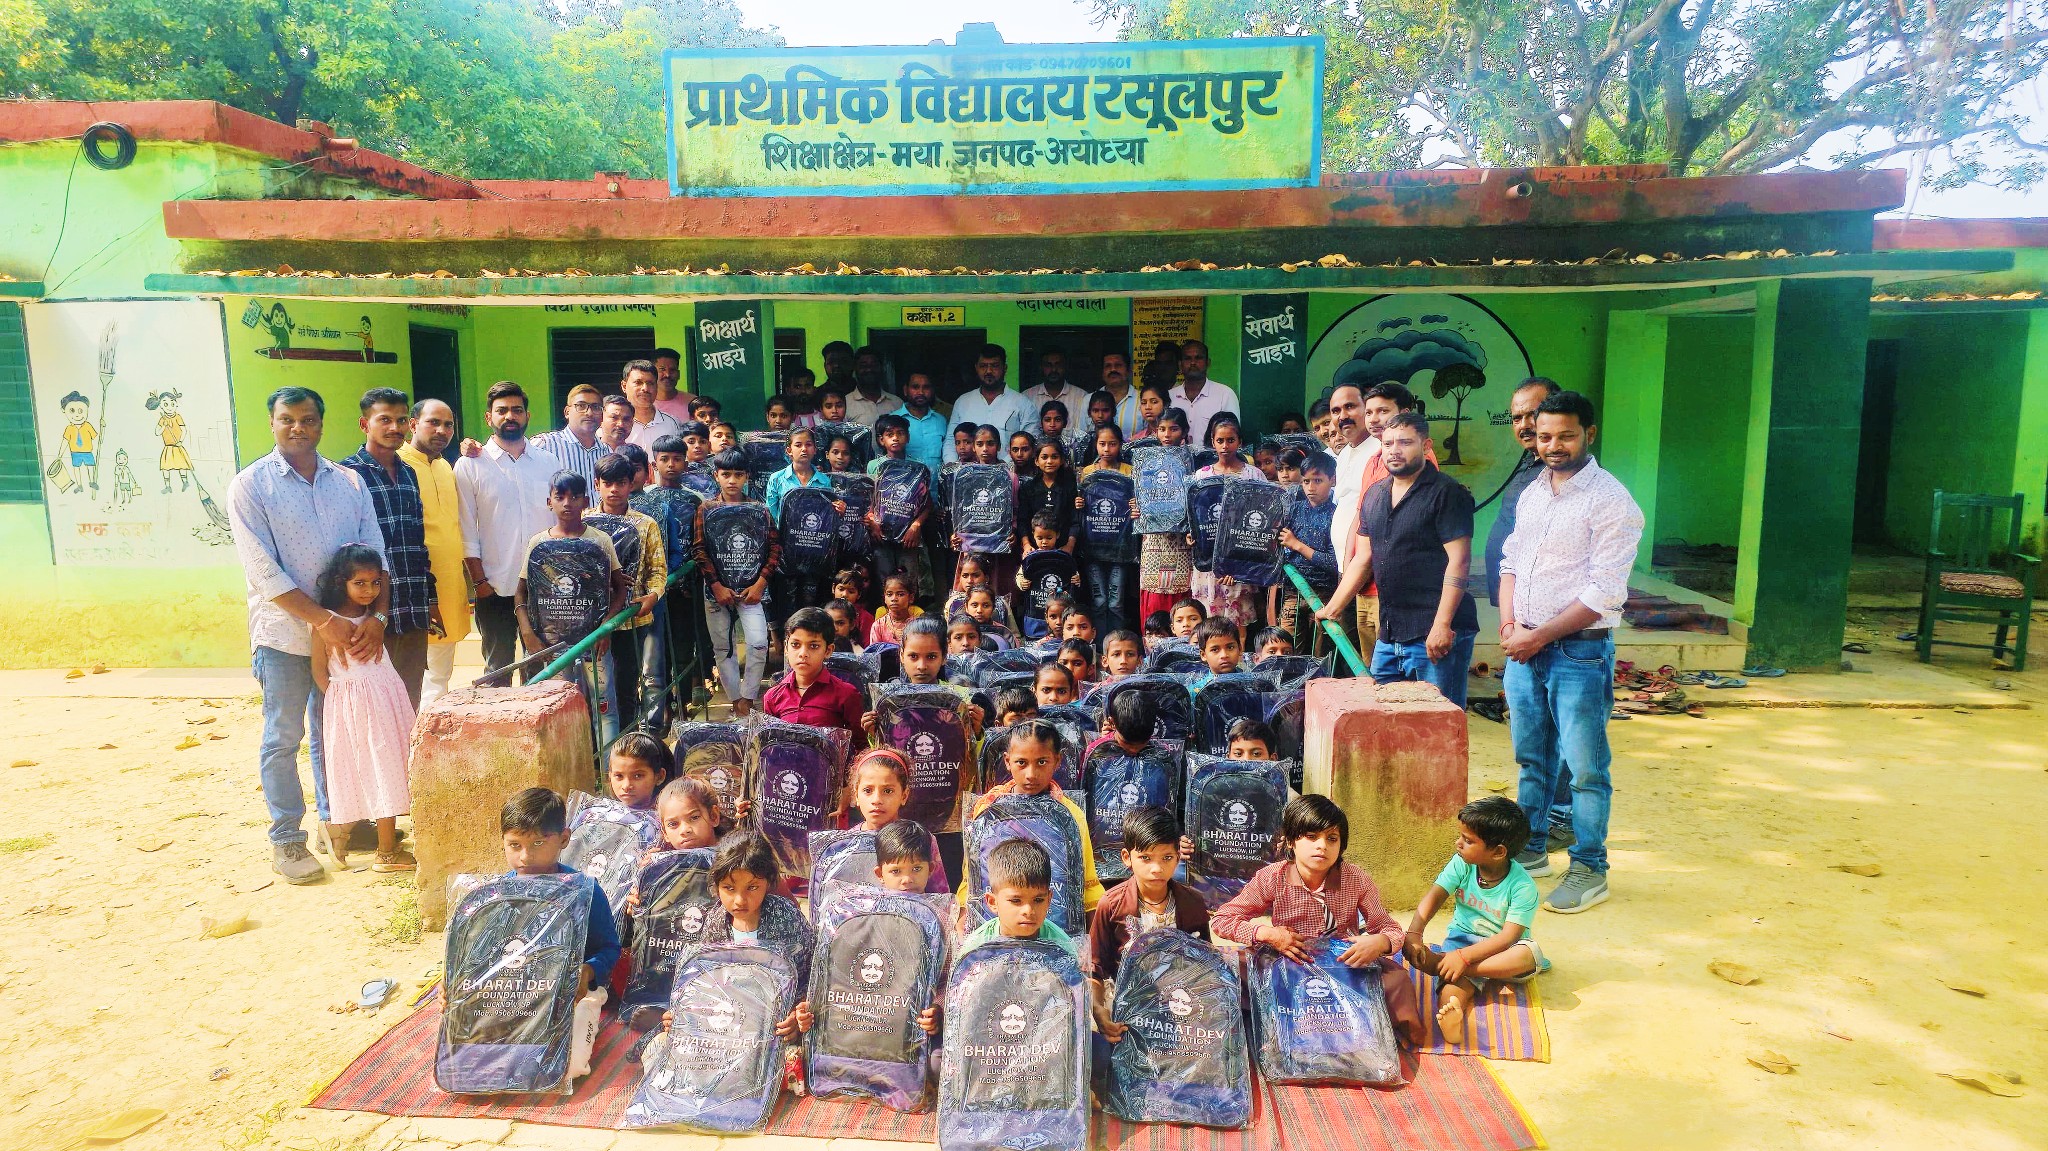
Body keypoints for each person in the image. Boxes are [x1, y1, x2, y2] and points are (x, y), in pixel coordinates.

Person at [228, 386, 388, 885]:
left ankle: (336, 824)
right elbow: (263, 570)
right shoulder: (250, 486)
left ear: (321, 423)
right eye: (287, 419)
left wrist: (377, 619)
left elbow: (376, 555)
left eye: (308, 419)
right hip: (285, 637)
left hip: (351, 639)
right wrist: (323, 621)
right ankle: (288, 840)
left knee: (335, 734)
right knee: (284, 736)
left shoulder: (349, 483)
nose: (298, 427)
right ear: (272, 423)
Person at [1499, 390, 1643, 914]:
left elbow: (1605, 593)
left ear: (1589, 434)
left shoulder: (1612, 502)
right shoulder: (1535, 489)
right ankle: (1532, 849)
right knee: (1531, 759)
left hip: (1579, 655)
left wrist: (1537, 636)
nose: (1553, 446)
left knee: (1584, 769)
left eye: (1565, 436)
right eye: (1543, 436)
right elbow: (1510, 559)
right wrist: (1512, 623)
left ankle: (1589, 866)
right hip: (1526, 647)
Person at [1212, 795, 1426, 1045]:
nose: (1322, 846)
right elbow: (1223, 920)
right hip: (1289, 960)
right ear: (1291, 841)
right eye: (1311, 837)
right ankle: (1247, 1031)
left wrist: (1379, 942)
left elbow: (1390, 928)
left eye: (1332, 839)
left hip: (1344, 964)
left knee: (1397, 980)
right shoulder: (1272, 877)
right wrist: (1267, 934)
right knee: (1230, 969)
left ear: (1341, 845)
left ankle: (1396, 1040)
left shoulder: (1356, 879)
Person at [1320, 413, 1479, 708]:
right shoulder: (1374, 495)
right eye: (1388, 443)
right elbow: (1362, 558)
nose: (1394, 449)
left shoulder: (1447, 493)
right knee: (1387, 718)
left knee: (1435, 724)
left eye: (1405, 442)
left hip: (1435, 631)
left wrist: (1442, 625)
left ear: (1426, 445)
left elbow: (1460, 562)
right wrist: (1333, 608)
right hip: (1390, 632)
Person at [1403, 797, 1548, 1045]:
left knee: (1529, 955)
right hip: (1462, 939)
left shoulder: (1523, 886)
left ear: (1498, 852)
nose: (1458, 843)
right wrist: (1414, 933)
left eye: (1468, 841)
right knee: (1451, 988)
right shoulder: (1462, 863)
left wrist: (1462, 960)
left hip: (1502, 951)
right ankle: (1453, 1019)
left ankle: (1442, 964)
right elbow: (1435, 895)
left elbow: (1508, 937)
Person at [308, 544, 417, 873]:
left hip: (387, 703)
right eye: (360, 583)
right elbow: (318, 671)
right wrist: (345, 700)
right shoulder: (328, 625)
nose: (369, 590)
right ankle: (385, 853)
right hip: (359, 708)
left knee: (386, 767)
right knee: (380, 769)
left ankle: (339, 831)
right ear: (341, 582)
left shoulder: (373, 620)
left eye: (375, 583)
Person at [456, 382, 562, 677]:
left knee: (541, 671)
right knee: (497, 670)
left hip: (544, 585)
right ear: (489, 418)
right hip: (494, 586)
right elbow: (466, 529)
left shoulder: (548, 462)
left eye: (517, 410)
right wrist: (480, 584)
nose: (510, 416)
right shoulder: (469, 465)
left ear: (527, 416)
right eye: (501, 410)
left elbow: (558, 521)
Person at [665, 832, 815, 1040]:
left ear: (769, 883)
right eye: (729, 888)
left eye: (752, 887)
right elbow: (703, 978)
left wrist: (797, 1017)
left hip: (775, 1028)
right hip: (726, 1023)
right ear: (716, 886)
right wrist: (684, 1012)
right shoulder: (716, 922)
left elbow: (810, 974)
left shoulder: (787, 919)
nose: (739, 900)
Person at [340, 387, 434, 706]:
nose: (395, 428)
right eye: (384, 420)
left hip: (412, 609)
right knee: (372, 702)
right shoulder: (346, 476)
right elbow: (344, 551)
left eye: (401, 420)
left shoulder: (409, 474)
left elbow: (418, 543)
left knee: (409, 700)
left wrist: (429, 599)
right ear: (365, 425)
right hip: (370, 613)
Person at [961, 718, 1103, 914]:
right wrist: (963, 915)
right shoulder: (987, 808)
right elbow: (972, 874)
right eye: (1021, 763)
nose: (1031, 774)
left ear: (1057, 761)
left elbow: (1087, 884)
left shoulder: (1070, 814)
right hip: (996, 923)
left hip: (1055, 925)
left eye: (1042, 762)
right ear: (1007, 761)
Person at [499, 787, 620, 994]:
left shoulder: (585, 891)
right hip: (509, 995)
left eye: (538, 843)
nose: (526, 857)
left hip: (565, 995)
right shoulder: (497, 896)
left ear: (564, 839)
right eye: (515, 845)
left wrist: (588, 970)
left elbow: (609, 949)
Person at [694, 449, 779, 718]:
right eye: (726, 474)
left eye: (738, 475)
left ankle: (749, 696)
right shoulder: (706, 509)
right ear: (716, 476)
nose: (732, 481)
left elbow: (774, 547)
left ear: (747, 477)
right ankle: (735, 701)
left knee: (757, 642)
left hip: (752, 590)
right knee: (723, 646)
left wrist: (761, 583)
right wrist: (716, 585)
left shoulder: (759, 510)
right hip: (716, 591)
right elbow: (699, 549)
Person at [1088, 807, 1209, 994]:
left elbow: (1206, 960)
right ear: (1127, 858)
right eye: (1145, 858)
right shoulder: (1111, 904)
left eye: (1166, 858)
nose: (1157, 868)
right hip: (1128, 1005)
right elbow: (1095, 967)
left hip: (1182, 1001)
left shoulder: (1193, 903)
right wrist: (1099, 1009)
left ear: (1178, 857)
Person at [397, 399, 470, 707]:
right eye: (433, 423)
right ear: (413, 425)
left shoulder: (445, 467)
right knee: (409, 680)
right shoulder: (396, 464)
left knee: (439, 676)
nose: (442, 430)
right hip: (414, 592)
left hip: (450, 587)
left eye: (449, 424)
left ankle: (428, 744)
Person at [591, 453, 668, 732]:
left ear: (632, 483)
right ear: (597, 483)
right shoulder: (585, 523)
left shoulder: (646, 524)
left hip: (632, 618)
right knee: (595, 689)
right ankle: (596, 748)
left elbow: (658, 570)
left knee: (625, 684)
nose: (614, 490)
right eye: (607, 483)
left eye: (621, 483)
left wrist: (653, 596)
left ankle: (624, 743)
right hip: (592, 622)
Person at [514, 471, 627, 658]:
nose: (567, 503)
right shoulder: (539, 543)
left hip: (593, 641)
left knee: (599, 687)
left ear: (586, 501)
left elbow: (620, 590)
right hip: (548, 642)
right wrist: (527, 633)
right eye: (560, 497)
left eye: (575, 497)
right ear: (549, 502)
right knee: (554, 687)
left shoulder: (600, 541)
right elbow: (520, 592)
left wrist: (605, 628)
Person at [1484, 378, 1560, 606]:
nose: (1524, 425)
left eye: (1532, 415)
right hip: (1516, 602)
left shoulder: (1562, 471)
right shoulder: (1530, 460)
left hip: (1542, 607)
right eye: (1517, 418)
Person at [841, 748, 952, 892]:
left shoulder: (921, 839)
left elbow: (939, 898)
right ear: (856, 795)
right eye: (868, 790)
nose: (877, 800)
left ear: (904, 795)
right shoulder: (845, 845)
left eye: (888, 791)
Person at [1187, 413, 1259, 630]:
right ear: (1212, 442)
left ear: (1240, 442)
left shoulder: (1253, 475)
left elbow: (1260, 520)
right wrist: (1192, 535)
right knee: (1209, 621)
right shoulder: (1200, 477)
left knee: (1238, 625)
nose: (1225, 446)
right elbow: (1193, 516)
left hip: (1240, 561)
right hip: (1208, 561)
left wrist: (1238, 564)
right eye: (1220, 441)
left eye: (1231, 440)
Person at [959, 837, 1078, 959]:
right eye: (1016, 901)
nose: (1028, 911)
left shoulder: (1062, 946)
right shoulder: (976, 948)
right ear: (993, 902)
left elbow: (1073, 975)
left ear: (1049, 900)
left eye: (1038, 900)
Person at [764, 607, 867, 744]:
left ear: (828, 650)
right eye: (795, 644)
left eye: (813, 646)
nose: (803, 653)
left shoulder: (846, 694)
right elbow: (769, 744)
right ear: (786, 648)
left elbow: (858, 745)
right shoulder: (773, 696)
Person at [1273, 450, 1340, 654]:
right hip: (1294, 590)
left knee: (1321, 653)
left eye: (1318, 480)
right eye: (1306, 481)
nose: (1311, 487)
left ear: (1333, 480)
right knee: (1287, 650)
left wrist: (1297, 545)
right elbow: (1275, 546)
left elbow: (1333, 563)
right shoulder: (1293, 510)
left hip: (1325, 596)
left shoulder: (1336, 514)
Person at [1135, 409, 1195, 623]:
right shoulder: (1146, 462)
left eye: (1173, 429)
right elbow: (1140, 496)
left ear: (1185, 431)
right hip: (1153, 540)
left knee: (1182, 595)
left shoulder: (1194, 461)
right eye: (1162, 429)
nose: (1167, 434)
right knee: (1153, 594)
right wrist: (1136, 508)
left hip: (1182, 541)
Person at [866, 414, 931, 602]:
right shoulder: (874, 466)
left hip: (908, 538)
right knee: (883, 578)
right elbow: (869, 499)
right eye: (890, 434)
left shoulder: (918, 467)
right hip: (881, 535)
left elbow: (927, 505)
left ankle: (911, 618)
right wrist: (872, 522)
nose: (895, 438)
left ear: (908, 437)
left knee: (909, 580)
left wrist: (916, 526)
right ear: (881, 440)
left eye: (900, 433)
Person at [948, 344, 1036, 454]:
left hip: (1009, 470)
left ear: (1005, 368)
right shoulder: (963, 402)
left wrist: (1006, 469)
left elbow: (1030, 443)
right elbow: (950, 442)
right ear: (976, 368)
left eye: (994, 366)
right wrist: (954, 468)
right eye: (983, 366)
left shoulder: (1023, 404)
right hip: (967, 470)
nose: (988, 371)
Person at [530, 384, 609, 487]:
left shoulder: (607, 452)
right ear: (567, 412)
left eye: (595, 407)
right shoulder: (545, 445)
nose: (589, 413)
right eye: (581, 406)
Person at [1167, 341, 1238, 445]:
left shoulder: (1225, 395)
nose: (1193, 363)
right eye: (1187, 358)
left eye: (1198, 358)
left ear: (1207, 362)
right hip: (1175, 460)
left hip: (1213, 460)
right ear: (1180, 365)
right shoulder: (1169, 397)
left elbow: (1233, 435)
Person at [891, 371, 948, 476]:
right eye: (915, 387)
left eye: (926, 387)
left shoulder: (941, 421)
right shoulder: (893, 420)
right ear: (905, 390)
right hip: (905, 488)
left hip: (936, 490)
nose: (921, 392)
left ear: (932, 391)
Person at [621, 359, 684, 452]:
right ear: (624, 386)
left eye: (650, 383)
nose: (645, 388)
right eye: (638, 382)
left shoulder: (672, 423)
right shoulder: (616, 424)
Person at [605, 731, 672, 812]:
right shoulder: (600, 814)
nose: (626, 786)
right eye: (619, 776)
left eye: (638, 776)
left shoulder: (672, 817)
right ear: (610, 775)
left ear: (660, 776)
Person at [843, 345, 903, 428]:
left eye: (874, 365)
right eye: (863, 366)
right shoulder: (845, 404)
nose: (869, 370)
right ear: (855, 369)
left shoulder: (897, 403)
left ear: (882, 368)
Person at [1020, 345, 1083, 418]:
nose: (1053, 369)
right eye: (1048, 365)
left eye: (1058, 364)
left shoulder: (1081, 397)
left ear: (1065, 366)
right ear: (1041, 367)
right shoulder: (1027, 397)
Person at [1097, 349, 1145, 439]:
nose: (1113, 369)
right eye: (1108, 366)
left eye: (1118, 365)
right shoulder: (1088, 400)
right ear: (1102, 372)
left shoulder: (1143, 400)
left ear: (1128, 370)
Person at [1189, 617, 1243, 690]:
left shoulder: (1251, 685)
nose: (1224, 655)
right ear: (1203, 655)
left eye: (1230, 648)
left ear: (1239, 649)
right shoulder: (1197, 690)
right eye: (1215, 650)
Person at [869, 572, 922, 647]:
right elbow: (875, 654)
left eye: (900, 594)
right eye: (889, 594)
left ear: (911, 598)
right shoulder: (878, 626)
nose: (894, 599)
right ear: (884, 598)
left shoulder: (918, 626)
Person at [651, 347, 693, 421]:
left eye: (672, 370)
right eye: (662, 369)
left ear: (678, 374)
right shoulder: (643, 405)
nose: (667, 374)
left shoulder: (692, 403)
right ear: (652, 373)